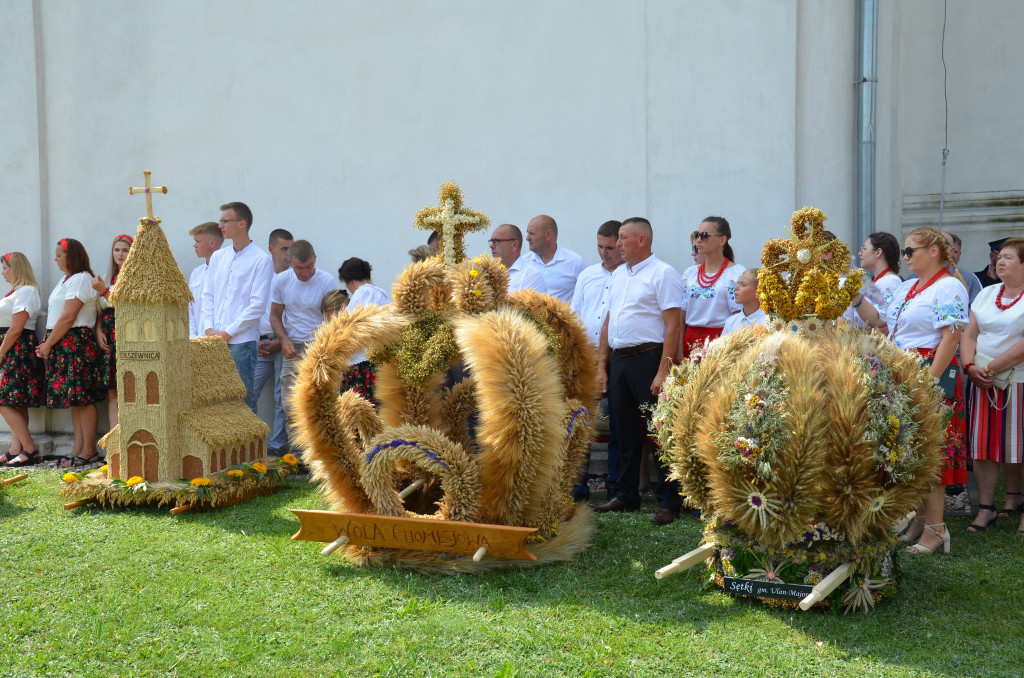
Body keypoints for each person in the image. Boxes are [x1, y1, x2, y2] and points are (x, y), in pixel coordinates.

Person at [849, 227, 969, 554]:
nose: (905, 257)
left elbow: (951, 338)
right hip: (904, 369)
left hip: (931, 370)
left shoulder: (949, 287)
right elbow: (882, 323)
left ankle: (937, 528)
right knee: (910, 450)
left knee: (931, 450)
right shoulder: (908, 288)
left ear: (934, 251)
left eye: (910, 251)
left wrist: (928, 381)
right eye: (904, 251)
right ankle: (920, 521)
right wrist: (855, 298)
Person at [592, 218, 684, 526]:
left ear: (641, 240)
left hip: (649, 358)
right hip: (620, 360)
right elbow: (608, 321)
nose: (617, 244)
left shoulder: (663, 273)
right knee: (625, 430)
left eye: (623, 238)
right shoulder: (619, 275)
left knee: (659, 432)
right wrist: (603, 364)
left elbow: (674, 324)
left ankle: (669, 500)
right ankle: (626, 494)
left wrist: (663, 370)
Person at [959, 237, 1024, 534]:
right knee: (982, 447)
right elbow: (969, 334)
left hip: (1018, 382)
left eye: (1009, 258)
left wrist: (989, 368)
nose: (1000, 261)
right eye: (999, 256)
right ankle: (987, 508)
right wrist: (970, 367)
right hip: (983, 382)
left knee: (1019, 447)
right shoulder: (987, 295)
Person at [35, 238, 104, 467]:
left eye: (59, 255)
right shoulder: (67, 279)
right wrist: (49, 343)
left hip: (75, 343)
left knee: (83, 399)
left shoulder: (82, 279)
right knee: (75, 399)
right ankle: (77, 448)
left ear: (71, 256)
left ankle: (89, 450)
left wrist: (47, 344)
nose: (55, 259)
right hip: (64, 343)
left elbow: (68, 317)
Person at [200, 202, 274, 413]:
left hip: (241, 342)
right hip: (213, 340)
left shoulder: (261, 260)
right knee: (214, 399)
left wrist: (228, 332)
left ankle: (251, 447)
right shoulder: (218, 257)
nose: (220, 224)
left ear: (242, 223)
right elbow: (208, 295)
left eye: (225, 220)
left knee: (242, 401)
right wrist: (208, 328)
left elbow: (257, 306)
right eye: (220, 220)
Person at [570, 220, 624, 501]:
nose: (605, 253)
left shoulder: (629, 276)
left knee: (619, 420)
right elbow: (576, 314)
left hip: (620, 355)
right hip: (587, 355)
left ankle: (616, 487)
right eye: (600, 247)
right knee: (581, 419)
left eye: (611, 247)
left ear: (622, 245)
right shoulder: (587, 275)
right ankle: (578, 487)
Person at [270, 240, 338, 450]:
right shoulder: (281, 281)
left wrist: (326, 346)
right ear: (290, 262)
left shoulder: (326, 280)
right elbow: (274, 316)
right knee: (290, 404)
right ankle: (298, 456)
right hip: (293, 348)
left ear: (315, 259)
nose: (306, 272)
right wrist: (284, 340)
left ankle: (323, 453)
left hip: (320, 347)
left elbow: (333, 317)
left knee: (323, 402)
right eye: (300, 268)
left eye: (309, 266)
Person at [0, 253, 44, 467]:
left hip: (16, 349)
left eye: (5, 267)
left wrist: (1, 352)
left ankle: (31, 450)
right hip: (11, 347)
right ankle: (16, 449)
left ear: (16, 268)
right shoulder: (17, 292)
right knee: (15, 402)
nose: (3, 272)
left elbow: (17, 327)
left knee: (4, 401)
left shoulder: (27, 291)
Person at [680, 216, 744, 356]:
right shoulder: (689, 274)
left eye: (705, 236)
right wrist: (678, 353)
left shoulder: (736, 273)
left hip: (721, 343)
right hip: (690, 343)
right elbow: (681, 317)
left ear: (722, 240)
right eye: (697, 235)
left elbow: (740, 317)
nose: (698, 240)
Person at [253, 228, 293, 452]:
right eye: (284, 248)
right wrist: (253, 340)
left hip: (285, 344)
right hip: (258, 344)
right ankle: (250, 444)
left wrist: (282, 340)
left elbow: (296, 315)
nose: (288, 254)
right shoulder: (259, 274)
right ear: (271, 250)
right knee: (247, 392)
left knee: (282, 397)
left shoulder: (293, 278)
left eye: (291, 248)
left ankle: (276, 448)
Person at [91, 233, 133, 428]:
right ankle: (114, 440)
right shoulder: (108, 277)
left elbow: (127, 305)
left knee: (129, 388)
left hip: (126, 334)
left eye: (125, 250)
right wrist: (98, 330)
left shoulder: (136, 277)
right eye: (117, 250)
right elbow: (101, 309)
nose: (120, 254)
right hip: (108, 335)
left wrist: (103, 291)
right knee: (112, 390)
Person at [337, 257, 391, 404]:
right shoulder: (380, 294)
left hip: (364, 364)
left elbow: (354, 327)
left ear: (351, 282)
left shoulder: (364, 293)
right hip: (373, 361)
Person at [524, 215, 585, 303]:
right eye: (528, 233)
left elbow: (587, 296)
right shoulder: (523, 262)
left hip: (565, 316)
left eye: (532, 234)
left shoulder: (576, 262)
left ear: (549, 235)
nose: (527, 238)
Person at [848, 232, 904, 326]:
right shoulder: (877, 281)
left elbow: (886, 325)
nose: (859, 253)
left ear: (878, 252)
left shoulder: (890, 281)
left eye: (864, 249)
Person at [188, 221, 223, 338]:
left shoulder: (227, 271)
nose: (194, 245)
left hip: (221, 339)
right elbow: (189, 308)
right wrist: (193, 337)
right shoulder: (196, 273)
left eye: (198, 241)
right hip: (198, 340)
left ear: (212, 243)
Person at [488, 224, 547, 294]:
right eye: (491, 241)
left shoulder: (532, 276)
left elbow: (529, 304)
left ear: (515, 245)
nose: (491, 246)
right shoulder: (488, 273)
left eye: (496, 241)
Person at [720, 269, 766, 335]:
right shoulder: (731, 322)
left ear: (758, 292)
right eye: (738, 283)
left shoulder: (769, 322)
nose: (736, 287)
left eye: (743, 285)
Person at [948, 233, 983, 305]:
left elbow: (975, 308)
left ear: (959, 255)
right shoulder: (919, 276)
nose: (952, 255)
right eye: (950, 251)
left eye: (956, 252)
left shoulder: (969, 279)